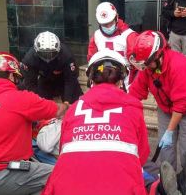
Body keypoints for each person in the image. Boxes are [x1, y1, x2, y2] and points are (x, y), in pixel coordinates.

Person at [41, 49, 150, 195]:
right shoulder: (132, 107)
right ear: (120, 81)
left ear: (90, 80)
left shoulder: (74, 109)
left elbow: (63, 150)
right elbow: (142, 154)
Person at [0, 52, 69, 195]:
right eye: (17, 77)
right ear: (11, 76)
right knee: (59, 174)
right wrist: (68, 105)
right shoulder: (20, 99)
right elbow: (56, 110)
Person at [128, 30, 186, 170]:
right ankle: (167, 185)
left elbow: (181, 104)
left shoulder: (179, 65)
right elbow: (135, 93)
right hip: (167, 108)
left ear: (158, 55)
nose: (145, 67)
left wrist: (170, 131)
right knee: (165, 152)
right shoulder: (148, 68)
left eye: (147, 63)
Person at [21, 31, 82, 105]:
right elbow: (30, 82)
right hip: (45, 78)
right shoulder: (29, 59)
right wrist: (38, 99)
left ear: (58, 50)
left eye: (51, 53)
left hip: (63, 77)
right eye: (44, 53)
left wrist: (67, 101)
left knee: (76, 102)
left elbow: (70, 79)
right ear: (36, 51)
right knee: (40, 103)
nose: (48, 57)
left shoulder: (67, 55)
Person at [87, 2, 139, 85]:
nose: (108, 27)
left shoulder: (130, 36)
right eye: (104, 24)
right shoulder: (96, 36)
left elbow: (137, 66)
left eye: (110, 23)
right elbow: (91, 60)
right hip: (101, 83)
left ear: (116, 17)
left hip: (125, 85)